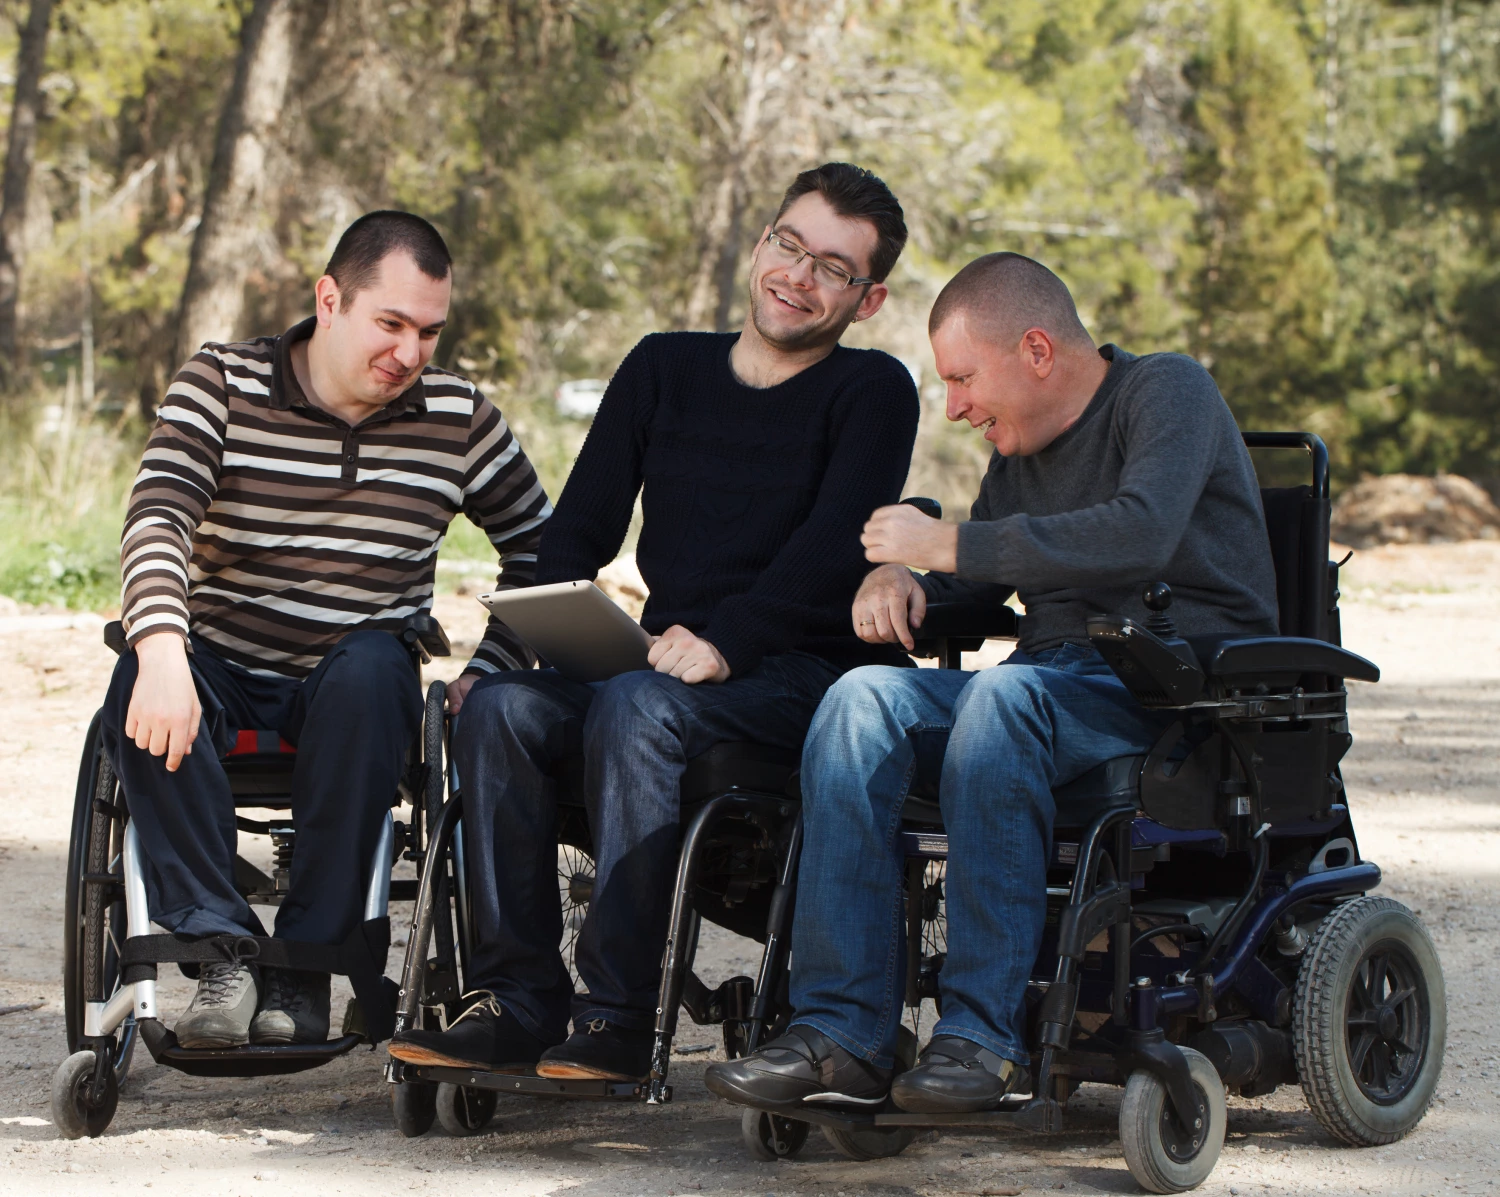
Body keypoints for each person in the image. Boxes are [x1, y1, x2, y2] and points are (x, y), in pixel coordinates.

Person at [704, 251, 1279, 1112]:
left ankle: (981, 1039)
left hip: (1171, 694)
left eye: (964, 378)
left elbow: (1142, 532)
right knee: (860, 698)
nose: (956, 406)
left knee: (1005, 697)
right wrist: (909, 584)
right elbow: (986, 579)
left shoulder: (1165, 390)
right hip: (1045, 688)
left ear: (1037, 350)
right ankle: (843, 1031)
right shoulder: (1019, 452)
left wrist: (950, 543)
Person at [388, 162, 921, 1082]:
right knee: (502, 710)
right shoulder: (662, 367)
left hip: (796, 678)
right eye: (789, 245)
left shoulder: (873, 389)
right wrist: (522, 641)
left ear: (866, 299)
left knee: (637, 705)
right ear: (760, 243)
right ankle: (516, 1000)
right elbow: (578, 528)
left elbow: (834, 544)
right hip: (666, 668)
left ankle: (620, 1017)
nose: (798, 275)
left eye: (833, 268)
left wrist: (727, 643)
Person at [103, 211, 550, 1050]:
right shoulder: (222, 382)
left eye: (429, 332)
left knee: (376, 665)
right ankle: (223, 954)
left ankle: (304, 962)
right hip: (219, 664)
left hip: (355, 687)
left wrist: (490, 665)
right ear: (330, 299)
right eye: (391, 323)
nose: (410, 352)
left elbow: (542, 550)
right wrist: (159, 647)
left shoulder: (457, 417)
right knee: (136, 678)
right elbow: (158, 516)